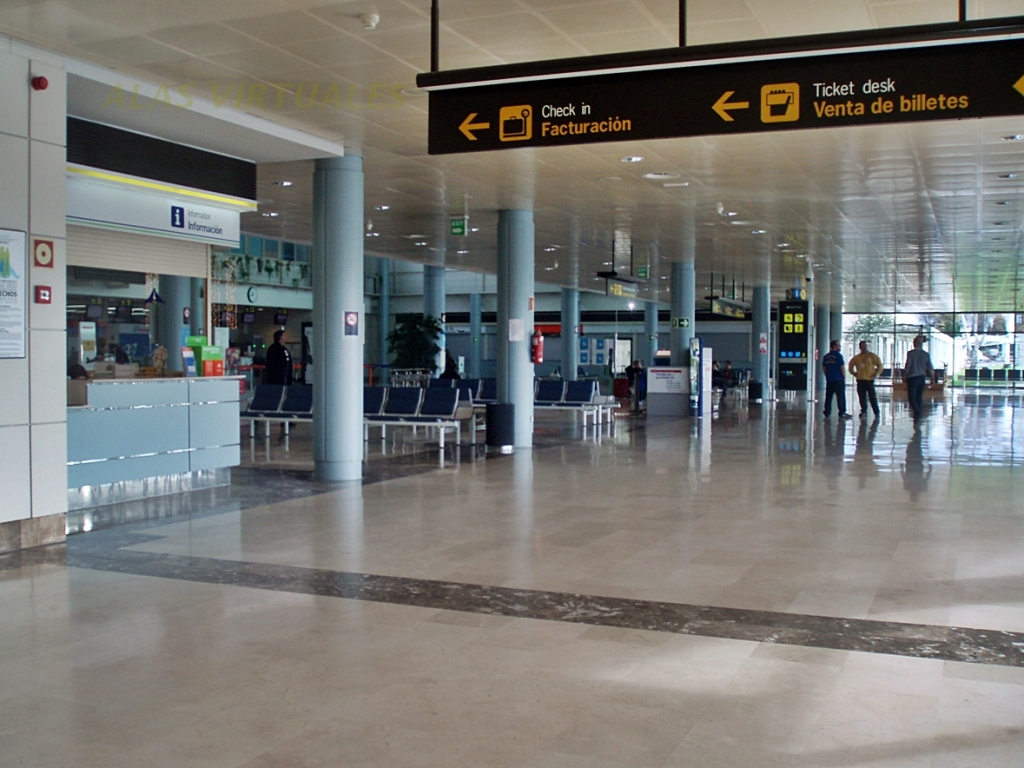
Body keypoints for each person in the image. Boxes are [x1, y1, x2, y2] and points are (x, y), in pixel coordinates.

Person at [848, 340, 882, 418]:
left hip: (869, 380)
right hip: (860, 380)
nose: (864, 347)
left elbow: (880, 365)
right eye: (862, 346)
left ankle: (876, 412)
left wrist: (876, 374)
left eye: (865, 345)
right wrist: (853, 373)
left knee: (872, 396)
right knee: (861, 396)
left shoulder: (872, 356)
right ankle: (864, 411)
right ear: (859, 347)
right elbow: (850, 365)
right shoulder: (857, 358)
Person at [903, 335, 934, 423]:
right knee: (919, 397)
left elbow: (908, 366)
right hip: (922, 378)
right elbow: (930, 367)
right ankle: (918, 413)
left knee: (911, 397)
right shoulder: (926, 354)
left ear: (914, 343)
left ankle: (917, 412)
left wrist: (904, 375)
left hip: (912, 378)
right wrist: (932, 378)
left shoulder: (910, 353)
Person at [822, 340, 853, 419]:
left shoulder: (826, 357)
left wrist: (827, 375)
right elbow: (842, 367)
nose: (840, 347)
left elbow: (824, 368)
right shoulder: (839, 356)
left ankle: (827, 411)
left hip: (830, 380)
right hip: (838, 379)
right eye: (838, 345)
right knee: (840, 396)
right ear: (834, 346)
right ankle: (842, 412)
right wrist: (844, 377)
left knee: (828, 396)